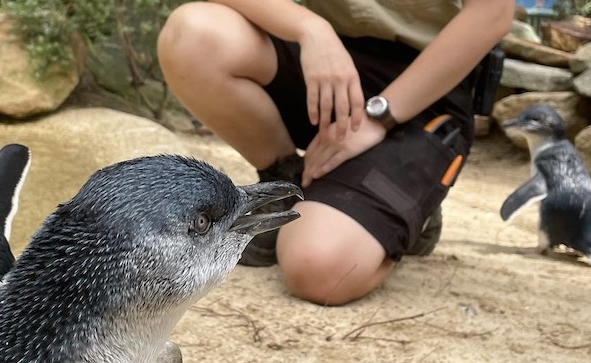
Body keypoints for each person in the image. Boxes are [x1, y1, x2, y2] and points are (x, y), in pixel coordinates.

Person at [158, 0, 514, 306]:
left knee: (320, 268)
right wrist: (311, 28)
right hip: (327, 62)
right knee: (191, 34)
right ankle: (286, 184)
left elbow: (494, 13)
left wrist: (378, 117)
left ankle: (408, 213)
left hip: (431, 87)